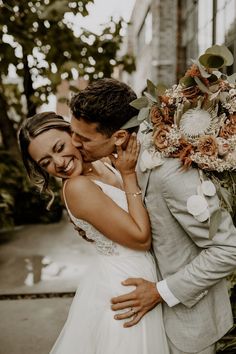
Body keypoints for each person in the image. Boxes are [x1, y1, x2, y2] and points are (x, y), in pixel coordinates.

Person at [69, 78, 236, 354]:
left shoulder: (168, 171)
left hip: (185, 328)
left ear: (120, 137)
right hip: (145, 322)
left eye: (83, 138)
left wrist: (161, 291)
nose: (74, 143)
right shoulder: (117, 158)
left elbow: (227, 249)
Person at [18, 111, 170, 354]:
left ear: (73, 134)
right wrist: (128, 175)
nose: (58, 163)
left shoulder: (102, 162)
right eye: (45, 162)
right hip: (125, 287)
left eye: (59, 147)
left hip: (144, 275)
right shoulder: (78, 187)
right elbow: (141, 238)